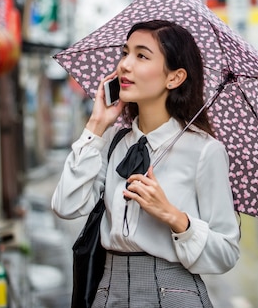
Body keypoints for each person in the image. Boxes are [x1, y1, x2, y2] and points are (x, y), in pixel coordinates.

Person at [51, 20, 241, 307]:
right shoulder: (112, 142)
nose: (125, 65)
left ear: (174, 78)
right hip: (108, 292)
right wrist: (96, 126)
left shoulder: (204, 151)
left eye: (141, 55)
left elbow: (226, 252)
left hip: (174, 293)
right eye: (125, 52)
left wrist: (174, 217)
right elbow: (66, 206)